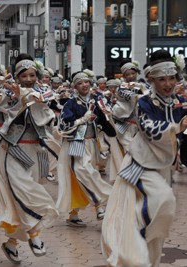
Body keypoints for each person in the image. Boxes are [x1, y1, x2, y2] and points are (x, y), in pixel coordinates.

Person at [101, 49, 187, 267]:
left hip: (163, 164)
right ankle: (130, 230)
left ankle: (147, 260)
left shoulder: (178, 101)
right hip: (141, 163)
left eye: (171, 78)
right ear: (152, 79)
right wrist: (178, 126)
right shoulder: (145, 102)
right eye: (162, 79)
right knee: (164, 200)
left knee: (159, 228)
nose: (168, 84)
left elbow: (186, 127)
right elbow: (148, 129)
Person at [0, 53, 58, 264]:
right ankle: (35, 234)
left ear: (38, 75)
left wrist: (27, 98)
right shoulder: (8, 93)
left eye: (31, 74)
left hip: (36, 151)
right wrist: (11, 93)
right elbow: (5, 115)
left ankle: (11, 244)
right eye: (23, 75)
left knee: (23, 197)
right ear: (16, 76)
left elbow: (45, 115)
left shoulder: (45, 92)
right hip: (12, 151)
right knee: (23, 192)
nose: (27, 79)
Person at [56, 70, 116, 227]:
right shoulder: (71, 103)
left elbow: (102, 118)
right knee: (84, 172)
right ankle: (99, 205)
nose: (84, 85)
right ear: (75, 86)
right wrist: (82, 120)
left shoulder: (95, 100)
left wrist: (110, 131)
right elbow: (62, 125)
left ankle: (73, 214)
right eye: (80, 83)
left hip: (91, 143)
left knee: (81, 176)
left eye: (86, 82)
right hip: (76, 142)